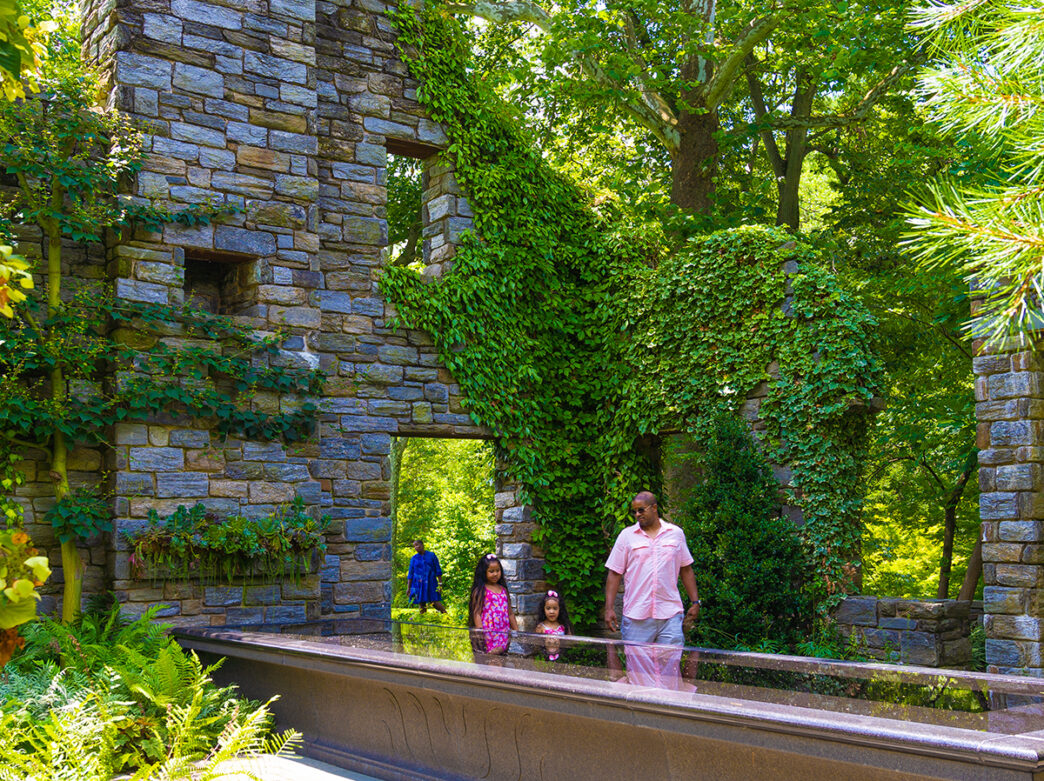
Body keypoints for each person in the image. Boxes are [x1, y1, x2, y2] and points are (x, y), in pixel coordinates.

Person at [604, 490, 700, 645]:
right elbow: (614, 573)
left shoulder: (676, 534)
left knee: (671, 666)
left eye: (641, 510)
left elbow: (686, 569)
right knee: (637, 667)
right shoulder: (626, 536)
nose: (637, 514)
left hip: (670, 615)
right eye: (634, 511)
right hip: (636, 617)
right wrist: (609, 609)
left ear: (654, 508)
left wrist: (695, 602)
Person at [468, 553, 518, 654]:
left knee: (501, 661)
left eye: (497, 571)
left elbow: (510, 613)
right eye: (491, 571)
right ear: (483, 572)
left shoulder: (503, 590)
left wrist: (517, 631)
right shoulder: (481, 591)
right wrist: (480, 634)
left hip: (503, 634)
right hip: (488, 636)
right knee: (490, 662)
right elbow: (476, 613)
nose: (495, 574)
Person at [407, 539, 446, 614]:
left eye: (417, 545)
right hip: (418, 584)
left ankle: (446, 616)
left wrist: (440, 584)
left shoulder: (431, 555)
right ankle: (422, 620)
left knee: (434, 601)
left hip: (431, 582)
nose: (416, 547)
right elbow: (410, 574)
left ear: (422, 545)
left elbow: (438, 570)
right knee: (421, 602)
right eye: (414, 546)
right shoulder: (414, 558)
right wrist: (408, 588)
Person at [534, 589, 573, 661]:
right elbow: (536, 646)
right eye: (548, 608)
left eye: (555, 608)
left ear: (560, 609)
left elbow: (569, 642)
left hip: (562, 660)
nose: (551, 612)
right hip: (544, 660)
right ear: (543, 609)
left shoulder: (564, 626)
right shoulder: (541, 627)